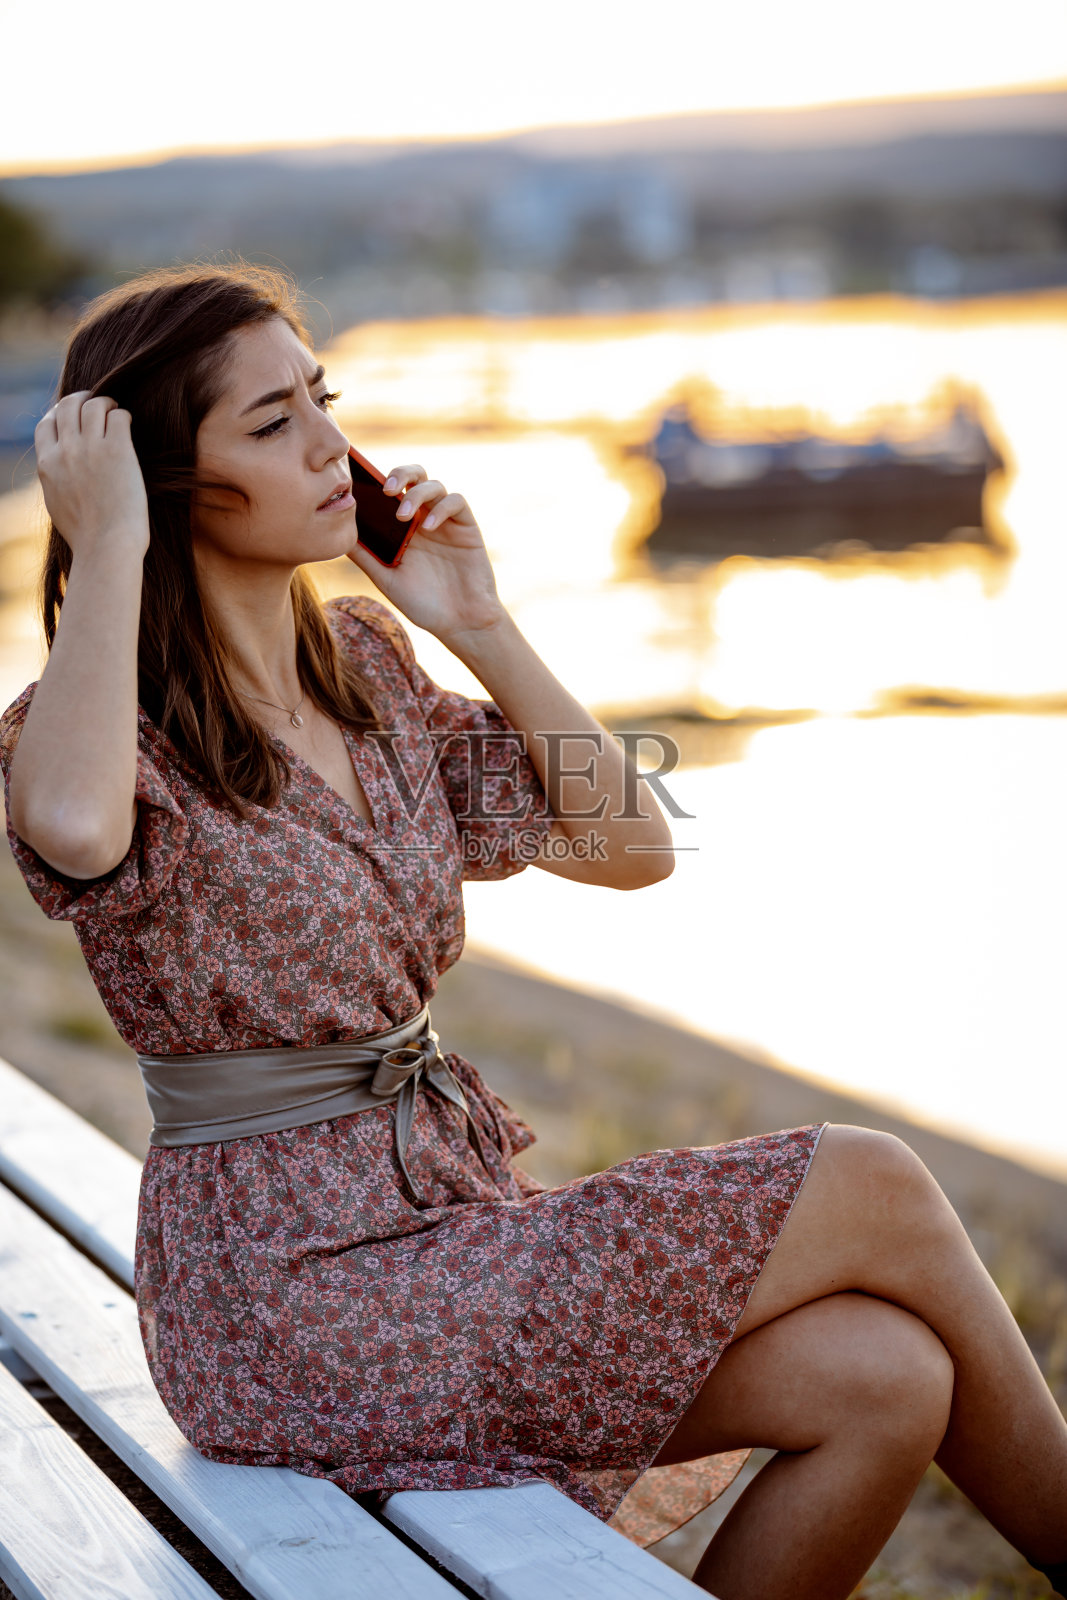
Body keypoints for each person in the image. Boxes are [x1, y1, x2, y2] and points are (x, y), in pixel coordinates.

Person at [1, 262, 1064, 1600]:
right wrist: (106, 548)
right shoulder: (102, 732)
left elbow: (632, 845)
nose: (334, 447)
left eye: (321, 401)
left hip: (443, 1229)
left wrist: (483, 624)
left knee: (883, 1378)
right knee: (870, 1178)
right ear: (158, 484)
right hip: (289, 1298)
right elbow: (74, 827)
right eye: (271, 426)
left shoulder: (374, 673)